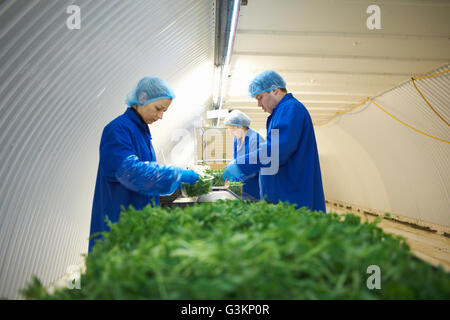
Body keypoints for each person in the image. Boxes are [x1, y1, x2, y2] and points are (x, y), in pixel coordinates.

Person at [89, 77, 199, 252]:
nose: (161, 116)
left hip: (138, 222)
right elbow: (131, 172)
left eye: (164, 111)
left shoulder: (142, 132)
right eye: (158, 108)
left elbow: (147, 177)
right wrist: (176, 175)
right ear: (141, 99)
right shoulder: (118, 130)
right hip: (119, 223)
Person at [224, 70, 326, 213]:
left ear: (275, 90)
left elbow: (275, 151)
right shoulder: (280, 113)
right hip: (282, 196)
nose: (259, 104)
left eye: (260, 97)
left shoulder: (290, 109)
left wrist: (240, 166)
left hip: (292, 198)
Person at [223, 110, 264, 201]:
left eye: (231, 130)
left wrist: (239, 172)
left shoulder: (255, 139)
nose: (230, 134)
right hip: (242, 188)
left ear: (239, 127)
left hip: (254, 188)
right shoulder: (237, 139)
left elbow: (258, 166)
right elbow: (237, 159)